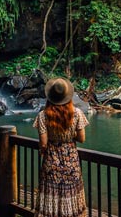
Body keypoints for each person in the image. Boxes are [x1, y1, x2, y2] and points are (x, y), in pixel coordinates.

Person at [33, 77, 89, 217]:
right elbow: (82, 138)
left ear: (50, 97)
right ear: (68, 96)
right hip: (71, 161)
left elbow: (44, 143)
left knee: (51, 194)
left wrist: (45, 147)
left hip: (51, 161)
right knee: (70, 193)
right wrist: (68, 138)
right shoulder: (77, 113)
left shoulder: (42, 115)